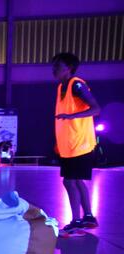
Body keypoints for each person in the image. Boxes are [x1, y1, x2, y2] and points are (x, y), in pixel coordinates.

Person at [52, 52, 101, 237]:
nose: (54, 69)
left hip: (80, 144)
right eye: (54, 66)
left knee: (69, 181)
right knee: (76, 180)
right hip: (69, 145)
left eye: (58, 66)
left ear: (69, 68)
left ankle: (76, 222)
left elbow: (96, 109)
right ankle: (88, 217)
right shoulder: (61, 87)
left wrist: (71, 116)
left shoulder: (76, 84)